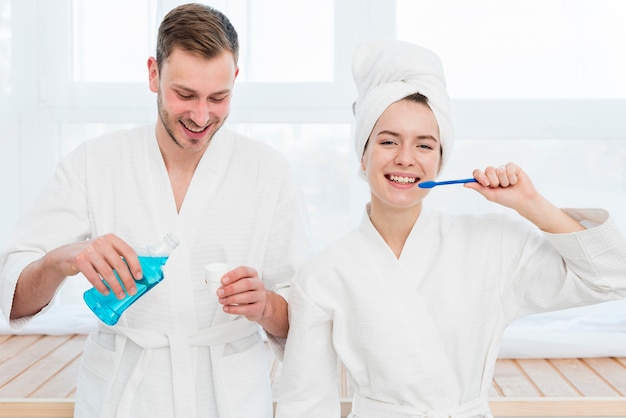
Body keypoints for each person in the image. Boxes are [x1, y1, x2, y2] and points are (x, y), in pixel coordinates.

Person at [275, 40, 626, 418]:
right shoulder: (324, 273)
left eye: (424, 145)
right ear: (363, 154)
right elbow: (305, 402)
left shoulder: (492, 244)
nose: (405, 158)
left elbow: (612, 276)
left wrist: (531, 204)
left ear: (441, 161)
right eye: (388, 141)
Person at [0, 3, 310, 417]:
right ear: (153, 74)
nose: (201, 116)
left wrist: (265, 305)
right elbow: (13, 298)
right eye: (185, 95)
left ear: (235, 79)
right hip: (123, 394)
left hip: (228, 397)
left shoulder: (268, 172)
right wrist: (64, 259)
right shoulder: (95, 163)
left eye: (218, 98)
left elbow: (302, 321)